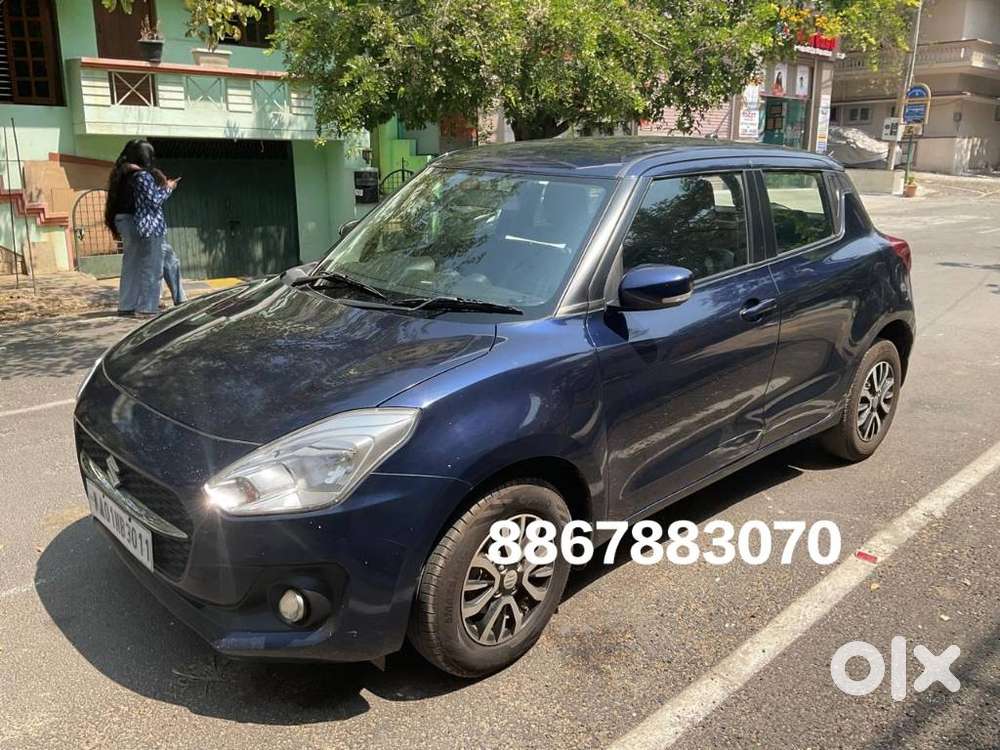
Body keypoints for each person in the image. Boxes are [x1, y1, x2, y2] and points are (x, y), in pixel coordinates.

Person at [104, 139, 185, 317]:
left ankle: (179, 299)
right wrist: (168, 188)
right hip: (142, 223)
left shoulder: (123, 171)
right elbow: (153, 200)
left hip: (134, 221)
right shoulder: (139, 175)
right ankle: (145, 306)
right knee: (149, 265)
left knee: (166, 259)